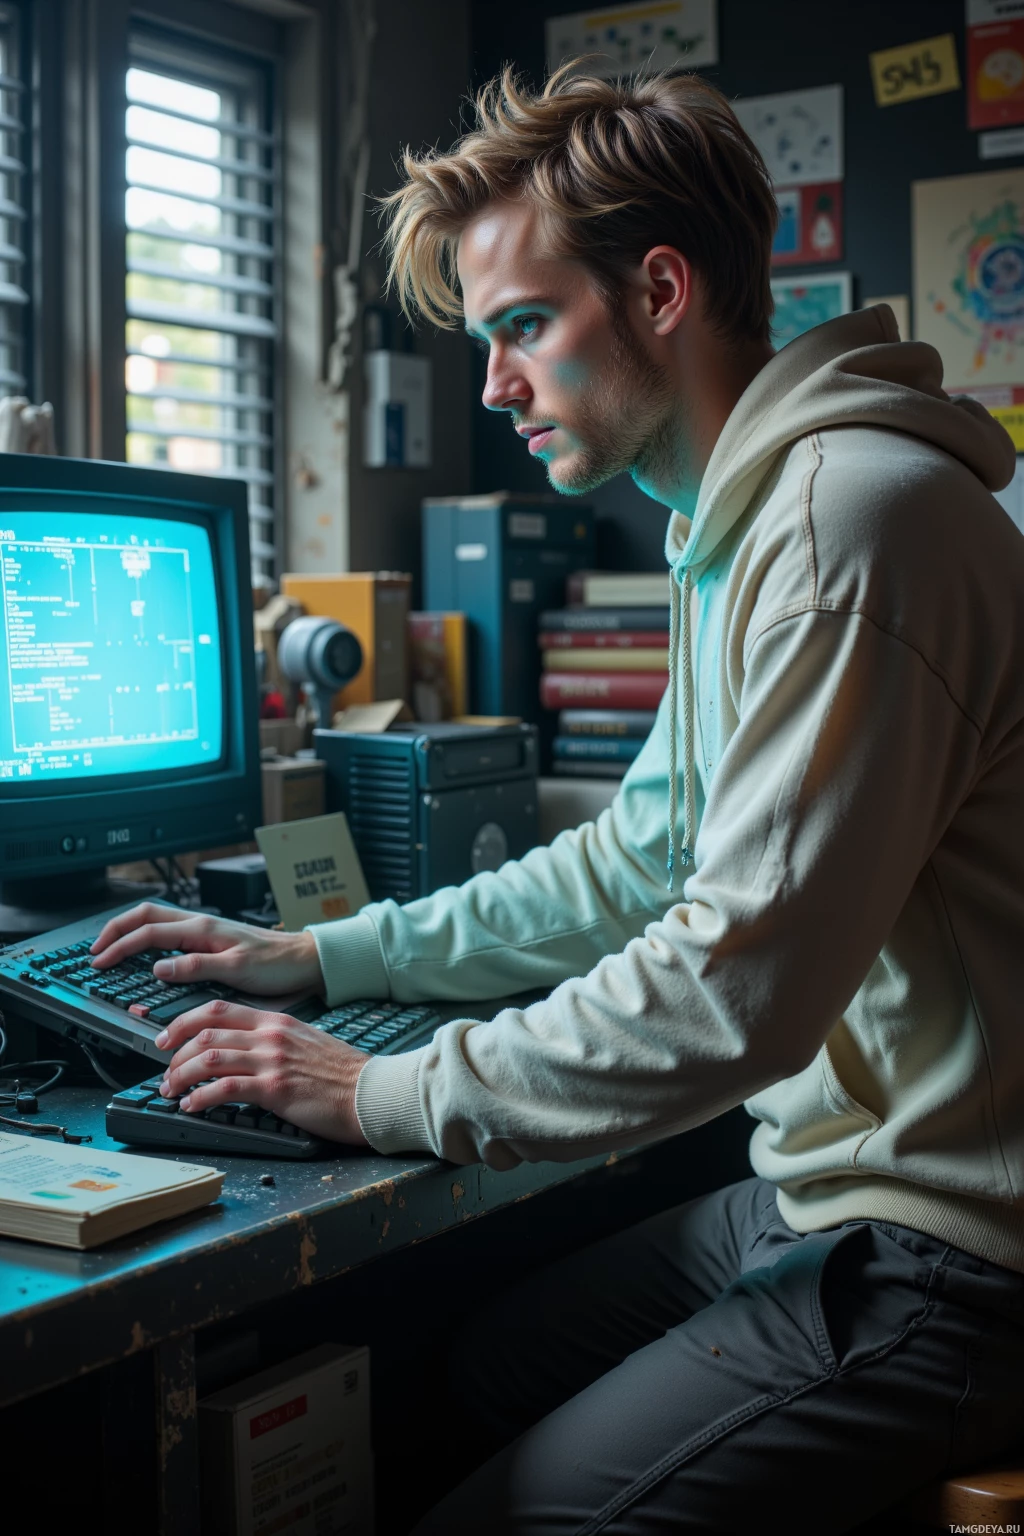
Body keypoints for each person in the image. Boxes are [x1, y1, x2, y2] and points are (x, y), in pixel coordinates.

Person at [91, 64, 1024, 1534]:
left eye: (524, 327)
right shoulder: (739, 519)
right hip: (825, 1195)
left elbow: (735, 986)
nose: (495, 384)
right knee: (472, 1366)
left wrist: (379, 1088)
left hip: (958, 1256)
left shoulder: (847, 526)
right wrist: (335, 955)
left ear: (660, 290)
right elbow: (640, 861)